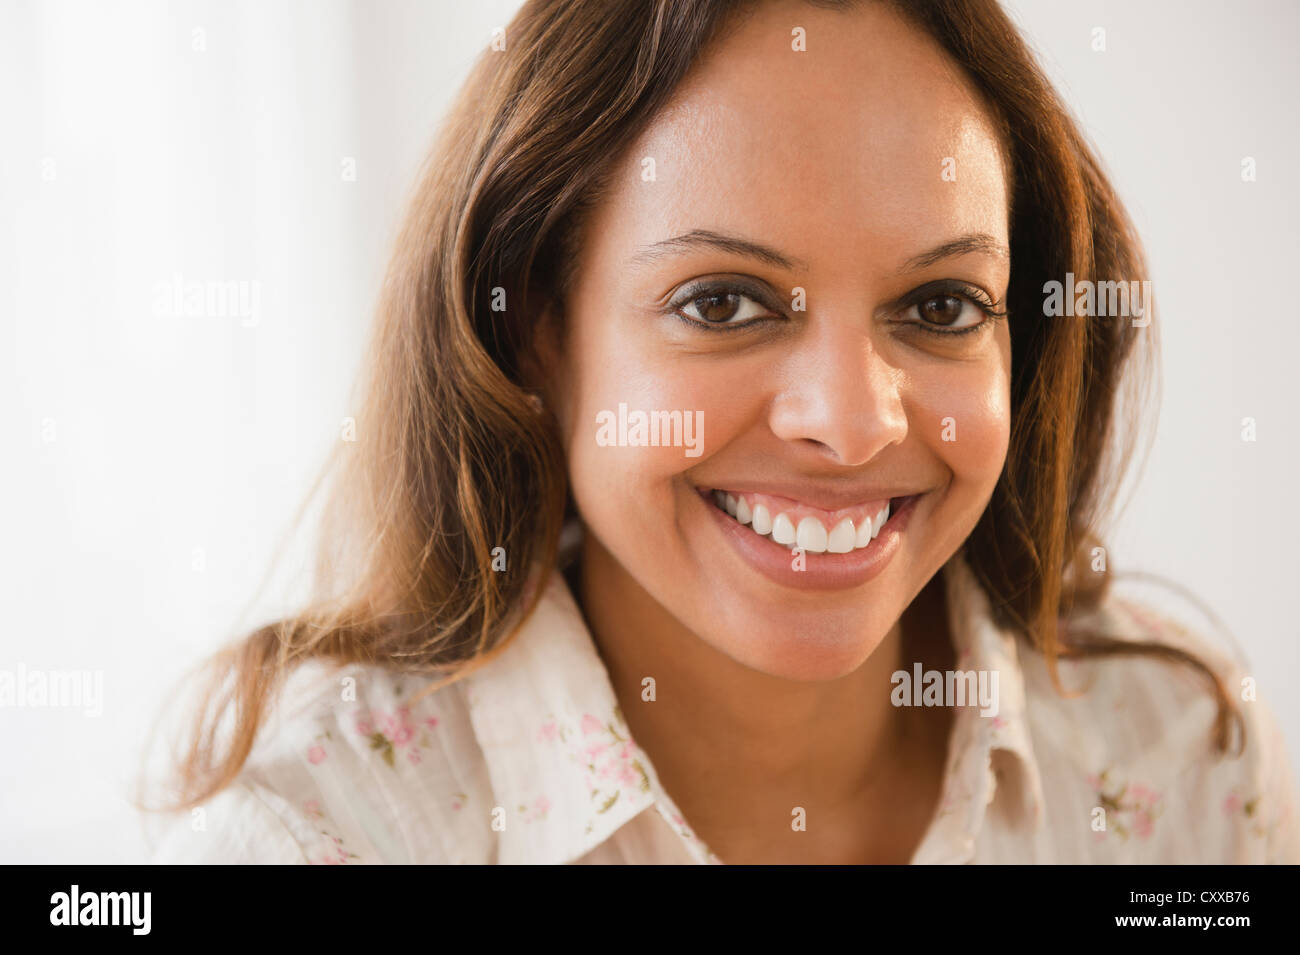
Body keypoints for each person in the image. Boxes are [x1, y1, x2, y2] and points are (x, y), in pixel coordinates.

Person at [140, 0, 1299, 864]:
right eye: (723, 302)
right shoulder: (324, 835)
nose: (849, 424)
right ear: (536, 330)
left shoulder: (1181, 762)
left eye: (940, 306)